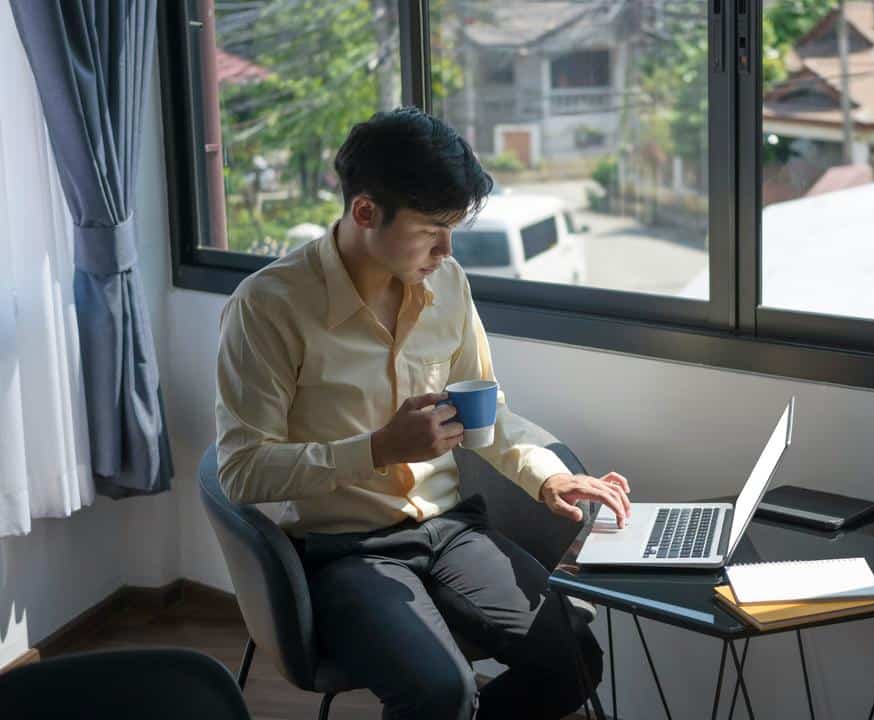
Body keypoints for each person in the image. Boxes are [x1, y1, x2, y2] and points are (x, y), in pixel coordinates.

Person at [214, 107, 631, 720]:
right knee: (440, 693)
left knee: (575, 658)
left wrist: (547, 475)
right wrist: (378, 449)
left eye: (453, 227)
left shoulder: (449, 285)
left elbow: (487, 411)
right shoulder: (268, 307)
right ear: (364, 212)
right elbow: (241, 473)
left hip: (452, 528)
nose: (447, 248)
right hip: (344, 549)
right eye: (432, 228)